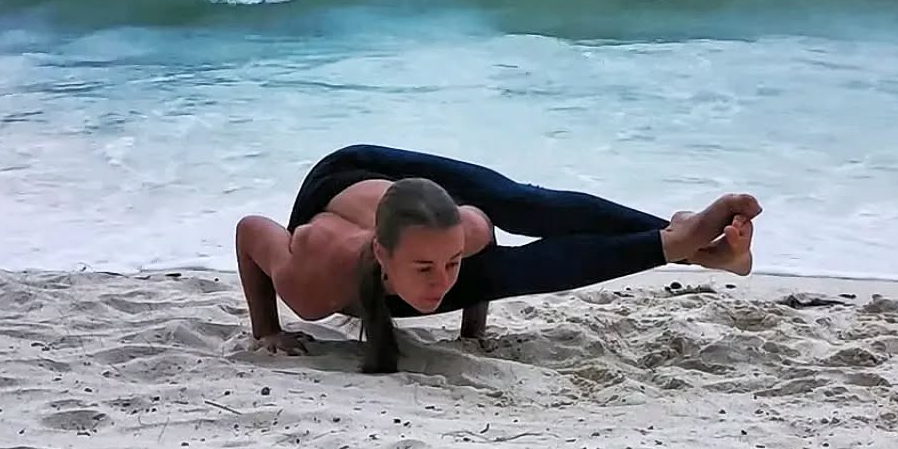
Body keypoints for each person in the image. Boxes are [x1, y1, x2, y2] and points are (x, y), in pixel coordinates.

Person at [236, 144, 760, 373]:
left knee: (520, 205)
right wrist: (267, 330)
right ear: (382, 254)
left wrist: (471, 324)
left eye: (452, 264)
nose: (442, 283)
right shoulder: (315, 277)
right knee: (516, 272)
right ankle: (680, 245)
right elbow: (249, 233)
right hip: (343, 175)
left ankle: (684, 243)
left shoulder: (467, 231)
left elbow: (466, 263)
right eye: (425, 270)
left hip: (413, 201)